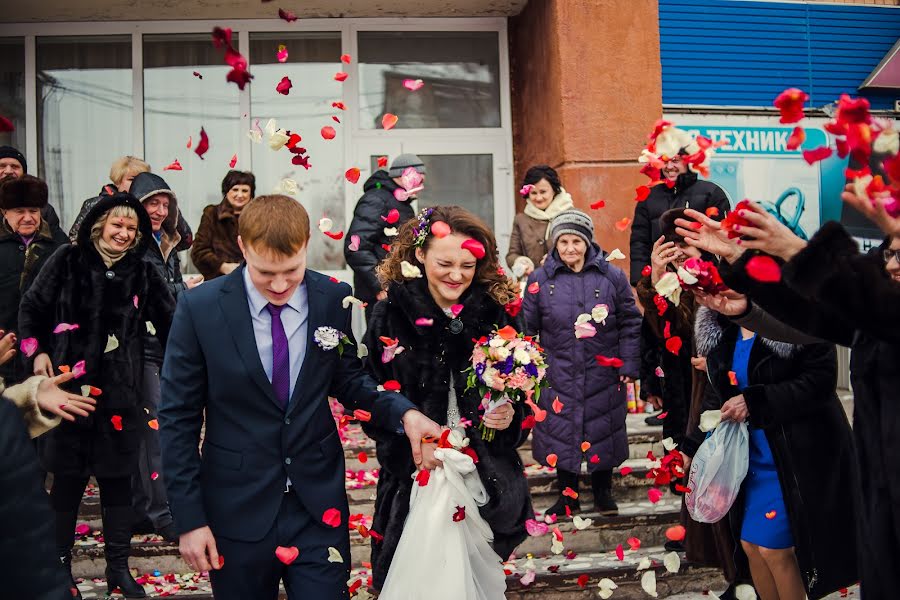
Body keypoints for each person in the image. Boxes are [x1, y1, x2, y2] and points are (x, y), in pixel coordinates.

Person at [159, 194, 441, 600]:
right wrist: (189, 519)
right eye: (264, 273)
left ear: (307, 244)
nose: (278, 286)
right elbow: (177, 418)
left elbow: (347, 380)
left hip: (316, 505)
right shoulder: (199, 308)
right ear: (242, 247)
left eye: (291, 271)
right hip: (236, 507)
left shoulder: (331, 297)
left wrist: (405, 414)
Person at [674, 199, 900, 600]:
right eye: (891, 252)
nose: (893, 265)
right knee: (753, 548)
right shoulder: (873, 320)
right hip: (865, 485)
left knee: (776, 550)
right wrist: (744, 301)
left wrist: (794, 249)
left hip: (806, 451)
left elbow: (820, 360)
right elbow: (814, 321)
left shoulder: (883, 316)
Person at [362, 206, 531, 593]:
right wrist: (409, 439)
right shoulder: (390, 315)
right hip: (418, 474)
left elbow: (520, 390)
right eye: (445, 263)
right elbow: (371, 397)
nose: (457, 275)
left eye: (468, 265)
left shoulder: (495, 313)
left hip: (482, 473)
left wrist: (510, 415)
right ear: (420, 255)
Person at [18, 192, 176, 599]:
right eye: (117, 225)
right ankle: (59, 569)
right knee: (67, 484)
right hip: (66, 393)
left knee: (118, 483)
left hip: (121, 395)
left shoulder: (143, 270)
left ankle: (118, 570)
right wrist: (37, 357)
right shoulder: (66, 260)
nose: (124, 234)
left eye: (131, 228)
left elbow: (172, 320)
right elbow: (31, 308)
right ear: (98, 225)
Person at [684, 305, 859, 600]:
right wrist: (692, 444)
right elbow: (718, 392)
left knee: (774, 549)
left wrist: (756, 401)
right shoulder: (718, 326)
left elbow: (820, 380)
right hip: (751, 457)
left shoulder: (796, 313)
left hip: (796, 455)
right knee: (752, 547)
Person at [522, 209, 641, 516]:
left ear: (588, 242)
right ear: (555, 244)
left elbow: (629, 321)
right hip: (558, 371)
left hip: (602, 371)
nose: (570, 248)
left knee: (603, 431)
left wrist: (628, 363)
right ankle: (567, 495)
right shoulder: (540, 280)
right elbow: (527, 327)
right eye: (563, 241)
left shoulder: (611, 277)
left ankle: (603, 492)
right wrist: (528, 367)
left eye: (576, 241)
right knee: (560, 432)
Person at [129, 171, 202, 542]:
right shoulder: (131, 242)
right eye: (150, 203)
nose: (158, 211)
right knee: (154, 433)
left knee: (156, 430)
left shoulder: (166, 241)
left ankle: (147, 509)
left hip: (165, 346)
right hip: (139, 349)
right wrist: (182, 288)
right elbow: (143, 292)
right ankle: (161, 514)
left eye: (164, 204)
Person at [629, 126, 731, 284]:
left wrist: (711, 271)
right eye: (664, 161)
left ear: (689, 162)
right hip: (663, 280)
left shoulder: (712, 193)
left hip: (703, 277)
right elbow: (639, 242)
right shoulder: (648, 197)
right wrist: (641, 281)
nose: (669, 167)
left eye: (675, 161)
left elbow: (723, 238)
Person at [0, 175, 68, 384]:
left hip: (46, 352)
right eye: (20, 212)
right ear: (4, 212)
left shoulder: (59, 243)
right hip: (4, 349)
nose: (28, 218)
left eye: (34, 211)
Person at [345, 154, 424, 320]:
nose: (422, 186)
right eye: (419, 180)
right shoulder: (376, 200)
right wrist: (381, 284)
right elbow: (355, 248)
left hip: (399, 290)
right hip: (384, 294)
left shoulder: (400, 203)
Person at [68, 156, 193, 247]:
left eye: (143, 178)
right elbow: (75, 240)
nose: (139, 184)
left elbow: (185, 241)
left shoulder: (155, 209)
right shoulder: (98, 204)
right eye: (132, 179)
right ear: (118, 181)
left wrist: (170, 208)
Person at [506, 165, 574, 280]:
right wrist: (522, 263)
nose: (538, 198)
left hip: (568, 282)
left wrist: (558, 259)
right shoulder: (521, 220)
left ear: (554, 190)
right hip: (535, 285)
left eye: (543, 192)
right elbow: (512, 254)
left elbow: (588, 249)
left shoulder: (572, 216)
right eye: (533, 193)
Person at [191, 169, 256, 281]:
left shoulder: (258, 216)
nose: (240, 195)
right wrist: (222, 266)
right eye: (235, 189)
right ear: (226, 191)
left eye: (245, 190)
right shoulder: (211, 214)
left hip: (254, 279)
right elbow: (198, 251)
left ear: (251, 194)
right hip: (220, 281)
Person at [0, 145, 62, 234]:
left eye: (15, 166)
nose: (8, 171)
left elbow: (58, 242)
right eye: (2, 166)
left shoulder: (44, 210)